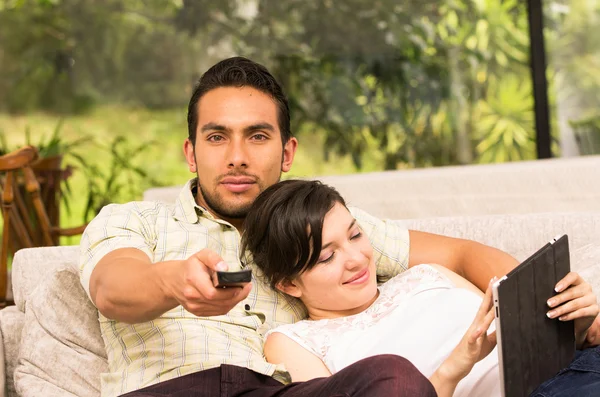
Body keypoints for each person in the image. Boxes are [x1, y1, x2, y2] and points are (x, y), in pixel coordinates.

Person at [79, 56, 600, 396]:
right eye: (217, 138)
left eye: (257, 136)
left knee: (394, 377)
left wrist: (546, 308)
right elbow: (112, 287)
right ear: (191, 153)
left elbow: (461, 256)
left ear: (287, 152)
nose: (237, 157)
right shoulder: (137, 222)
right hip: (179, 388)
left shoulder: (324, 222)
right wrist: (175, 282)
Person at [240, 179, 600, 397]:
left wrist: (577, 323)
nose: (356, 259)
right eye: (326, 257)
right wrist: (453, 368)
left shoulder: (427, 275)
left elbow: (536, 347)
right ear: (289, 283)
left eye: (355, 235)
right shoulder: (293, 341)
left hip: (581, 366)